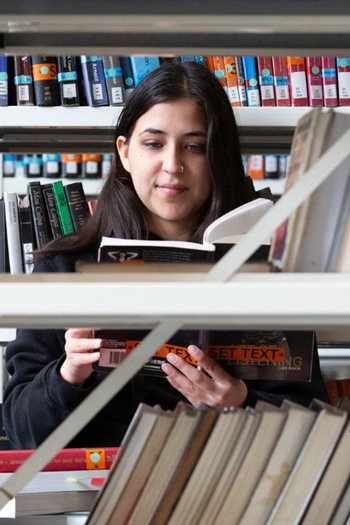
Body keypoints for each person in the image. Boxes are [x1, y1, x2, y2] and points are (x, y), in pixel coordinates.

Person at [3, 61, 329, 449]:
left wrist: (241, 401)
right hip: (91, 502)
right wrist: (68, 372)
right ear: (125, 152)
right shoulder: (61, 268)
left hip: (226, 490)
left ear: (216, 158)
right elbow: (21, 432)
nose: (172, 166)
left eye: (193, 146)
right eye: (153, 143)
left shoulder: (267, 270)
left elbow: (317, 424)